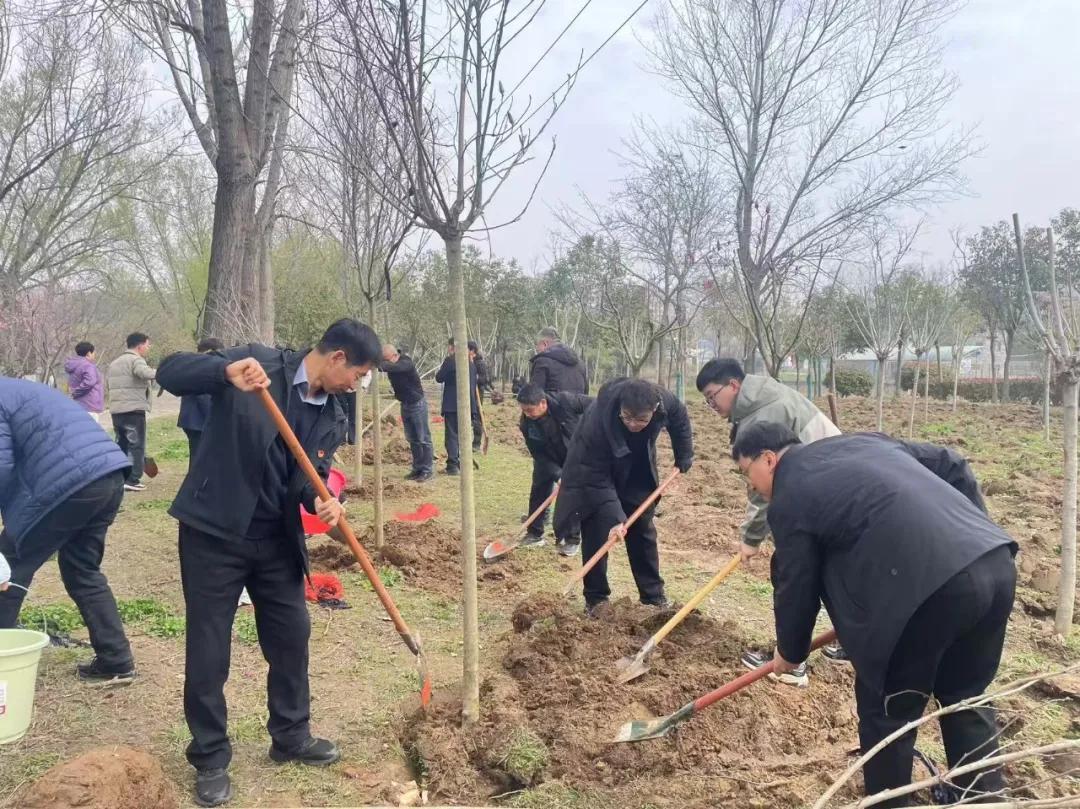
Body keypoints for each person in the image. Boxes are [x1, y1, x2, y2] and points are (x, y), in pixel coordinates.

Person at [730, 423, 1017, 808]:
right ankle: (985, 798)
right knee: (965, 695)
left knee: (888, 710)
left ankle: (888, 803)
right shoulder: (864, 442)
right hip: (994, 563)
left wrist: (791, 651)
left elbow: (796, 581)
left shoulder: (789, 495)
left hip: (928, 593)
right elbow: (952, 462)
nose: (751, 487)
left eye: (747, 474)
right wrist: (972, 536)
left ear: (768, 459)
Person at [156, 318, 381, 808]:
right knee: (210, 647)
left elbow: (309, 474)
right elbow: (170, 371)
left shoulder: (335, 412)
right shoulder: (258, 363)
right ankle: (211, 756)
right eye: (359, 373)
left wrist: (321, 500)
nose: (358, 384)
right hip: (214, 532)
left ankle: (290, 735)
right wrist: (225, 372)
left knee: (290, 635)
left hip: (277, 540)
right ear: (338, 356)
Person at [696, 357, 841, 685]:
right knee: (831, 567)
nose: (710, 405)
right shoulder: (761, 395)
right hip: (829, 483)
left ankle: (793, 662)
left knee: (795, 570)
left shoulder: (762, 415)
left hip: (816, 491)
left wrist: (750, 537)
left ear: (733, 386)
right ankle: (844, 643)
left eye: (711, 396)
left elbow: (764, 490)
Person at [0, 378, 136, 685]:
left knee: (8, 565)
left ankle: (3, 657)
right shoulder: (16, 389)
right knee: (82, 571)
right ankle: (116, 661)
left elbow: (1, 465)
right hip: (108, 475)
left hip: (71, 481)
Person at [553, 378, 693, 613]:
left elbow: (679, 418)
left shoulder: (664, 400)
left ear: (655, 409)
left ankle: (652, 596)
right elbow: (596, 478)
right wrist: (616, 518)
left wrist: (684, 454)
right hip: (595, 470)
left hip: (636, 467)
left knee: (642, 529)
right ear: (620, 407)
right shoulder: (597, 420)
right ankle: (596, 598)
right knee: (597, 529)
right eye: (627, 417)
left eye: (641, 419)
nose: (633, 424)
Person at [516, 383, 593, 556]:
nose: (527, 414)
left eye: (530, 410)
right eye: (524, 410)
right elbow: (538, 455)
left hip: (576, 454)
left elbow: (597, 405)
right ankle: (535, 533)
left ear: (543, 403)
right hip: (547, 458)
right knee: (539, 489)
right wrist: (557, 474)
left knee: (572, 494)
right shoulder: (527, 423)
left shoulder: (566, 401)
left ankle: (572, 539)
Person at [108, 332, 156, 492]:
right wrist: (163, 372)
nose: (148, 348)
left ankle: (121, 476)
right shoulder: (136, 360)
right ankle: (133, 479)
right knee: (136, 445)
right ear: (140, 345)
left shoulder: (114, 362)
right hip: (133, 410)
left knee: (121, 443)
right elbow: (146, 373)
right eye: (148, 345)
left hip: (116, 410)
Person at [381, 344, 434, 483]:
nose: (385, 363)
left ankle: (427, 470)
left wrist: (379, 364)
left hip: (417, 404)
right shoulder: (392, 363)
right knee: (412, 439)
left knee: (423, 438)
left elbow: (394, 368)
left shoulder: (406, 362)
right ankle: (417, 468)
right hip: (405, 404)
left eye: (386, 360)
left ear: (394, 355)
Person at [434, 338, 479, 476]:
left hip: (453, 404)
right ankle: (462, 462)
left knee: (452, 435)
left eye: (449, 346)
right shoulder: (471, 363)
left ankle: (453, 465)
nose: (449, 349)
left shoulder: (451, 361)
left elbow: (439, 378)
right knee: (463, 434)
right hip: (468, 405)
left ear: (453, 347)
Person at [178, 338, 225, 468]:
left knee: (198, 455)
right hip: (198, 421)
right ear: (211, 351)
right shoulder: (202, 367)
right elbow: (203, 397)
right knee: (199, 457)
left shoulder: (193, 364)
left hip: (191, 420)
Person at [529, 327, 588, 395]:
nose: (537, 349)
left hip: (551, 405)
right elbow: (585, 396)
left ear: (545, 344)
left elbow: (534, 398)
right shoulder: (580, 363)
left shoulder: (541, 362)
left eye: (537, 345)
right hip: (578, 405)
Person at [65, 342, 106, 424]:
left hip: (79, 404)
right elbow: (90, 382)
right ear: (88, 353)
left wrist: (74, 393)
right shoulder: (88, 365)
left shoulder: (74, 365)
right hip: (90, 405)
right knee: (91, 433)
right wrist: (76, 392)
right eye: (93, 352)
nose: (94, 355)